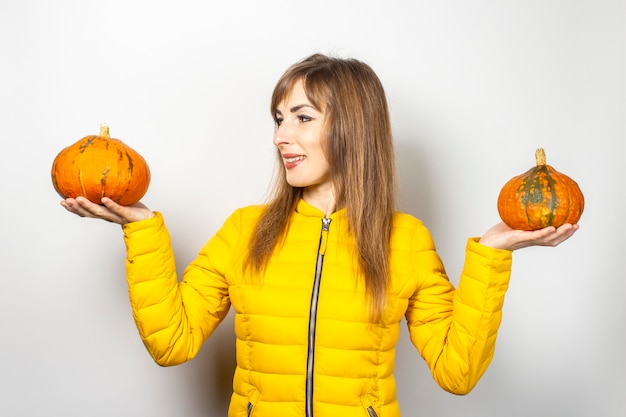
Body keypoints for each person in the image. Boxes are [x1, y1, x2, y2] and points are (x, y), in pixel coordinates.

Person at [61, 53, 578, 417]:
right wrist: (143, 231)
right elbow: (172, 343)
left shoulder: (406, 240)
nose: (281, 136)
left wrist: (491, 253)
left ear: (352, 127)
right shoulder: (245, 230)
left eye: (302, 118)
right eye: (279, 118)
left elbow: (457, 373)